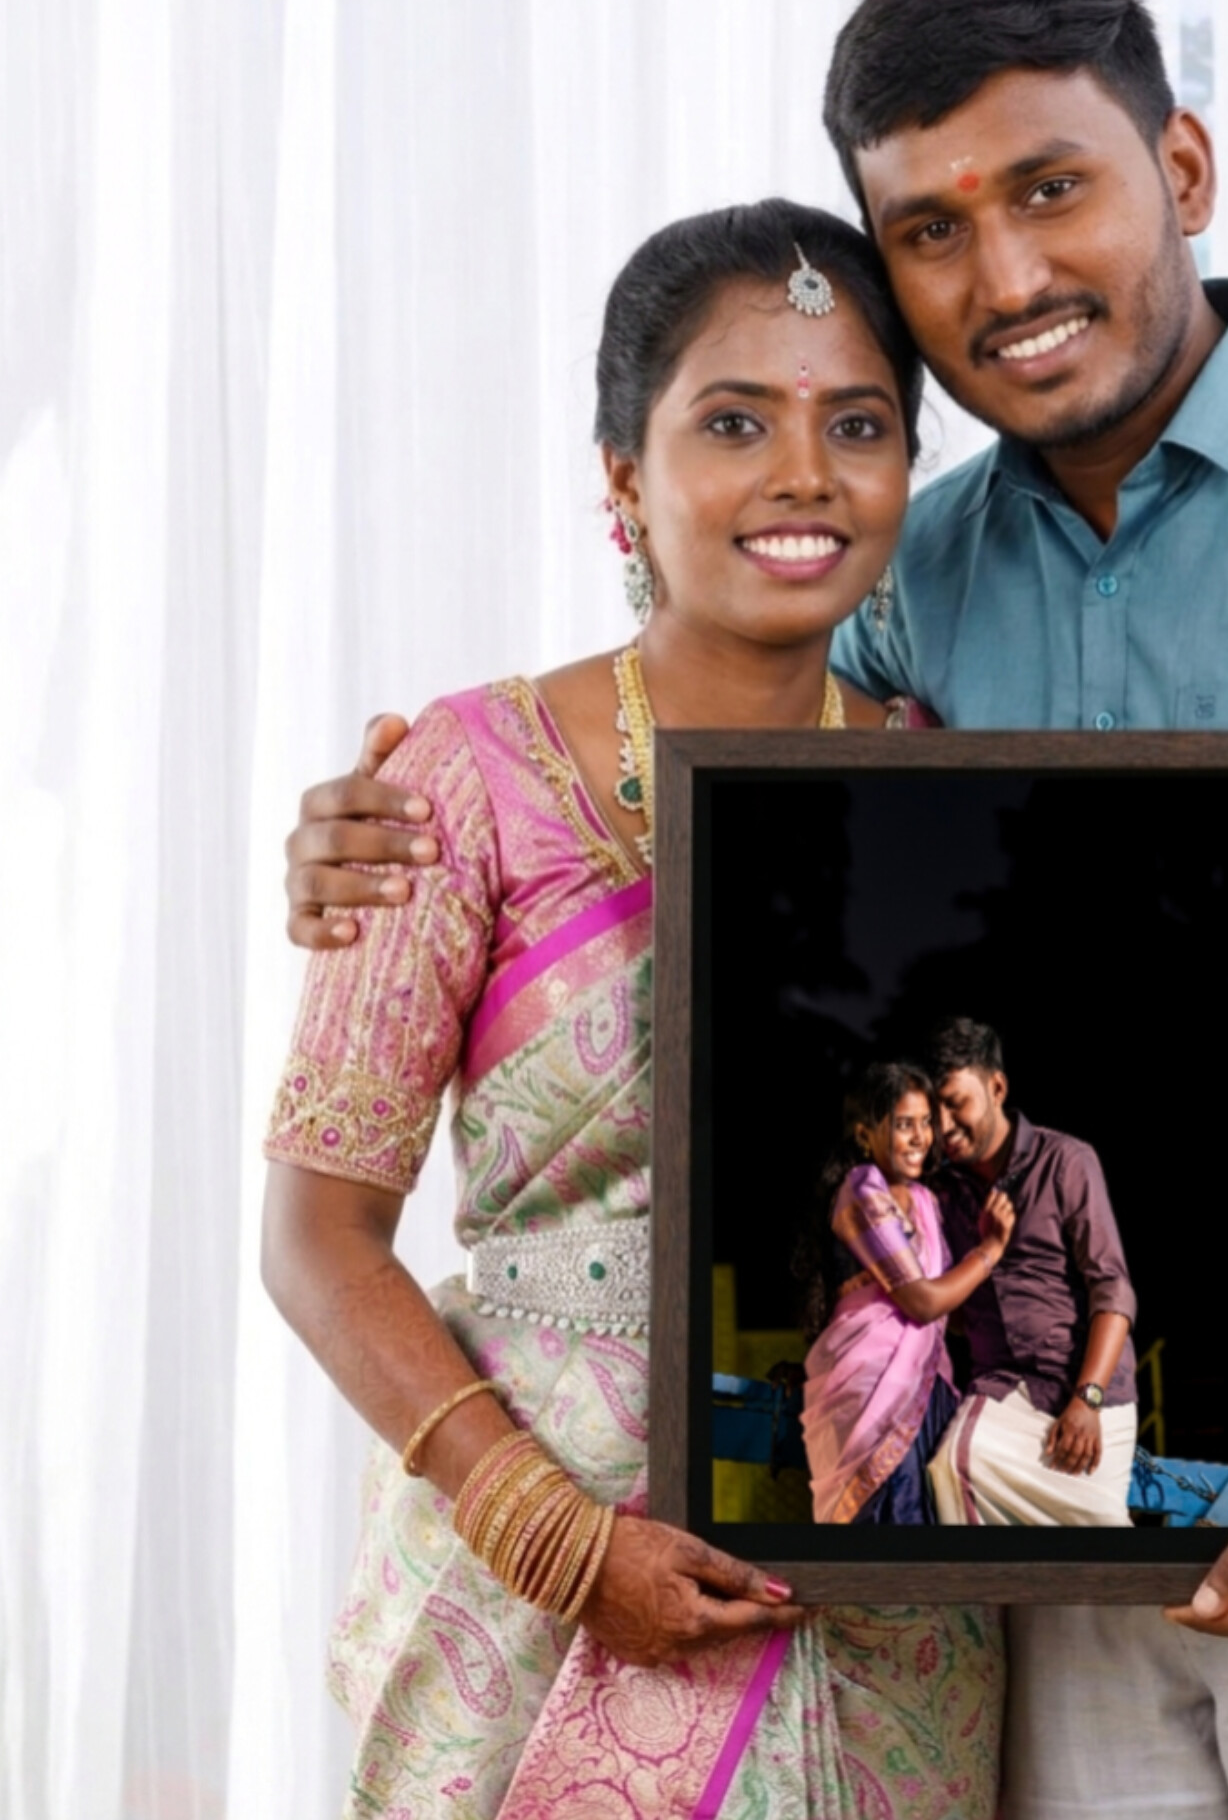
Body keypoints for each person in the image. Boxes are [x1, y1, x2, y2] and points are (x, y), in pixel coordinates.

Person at [280, 0, 1228, 1820]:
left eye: (1050, 190)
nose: (1006, 280)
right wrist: (371, 830)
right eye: (931, 231)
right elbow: (724, 782)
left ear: (1181, 168)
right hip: (1030, 1495)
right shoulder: (918, 578)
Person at [260, 199, 1002, 1820]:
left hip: (880, 1597)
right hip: (528, 1590)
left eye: (857, 425)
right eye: (735, 423)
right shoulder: (457, 781)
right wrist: (557, 1541)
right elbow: (317, 1238)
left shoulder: (948, 787)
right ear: (622, 477)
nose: (804, 473)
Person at [917, 1019, 1140, 1529]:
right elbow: (935, 1309)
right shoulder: (941, 1196)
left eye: (955, 1103)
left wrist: (1087, 1401)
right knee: (955, 1465)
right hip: (1002, 1394)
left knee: (1103, 1531)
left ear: (997, 1087)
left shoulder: (1066, 1162)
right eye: (933, 1113)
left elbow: (1113, 1289)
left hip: (1093, 1392)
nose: (943, 1126)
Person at [798, 1061, 1018, 1524]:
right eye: (903, 1125)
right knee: (891, 1529)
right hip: (872, 1394)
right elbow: (922, 1302)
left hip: (927, 1384)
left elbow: (948, 1311)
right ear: (865, 1135)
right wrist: (990, 1250)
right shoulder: (862, 1189)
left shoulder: (924, 1201)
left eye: (925, 1123)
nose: (921, 1137)